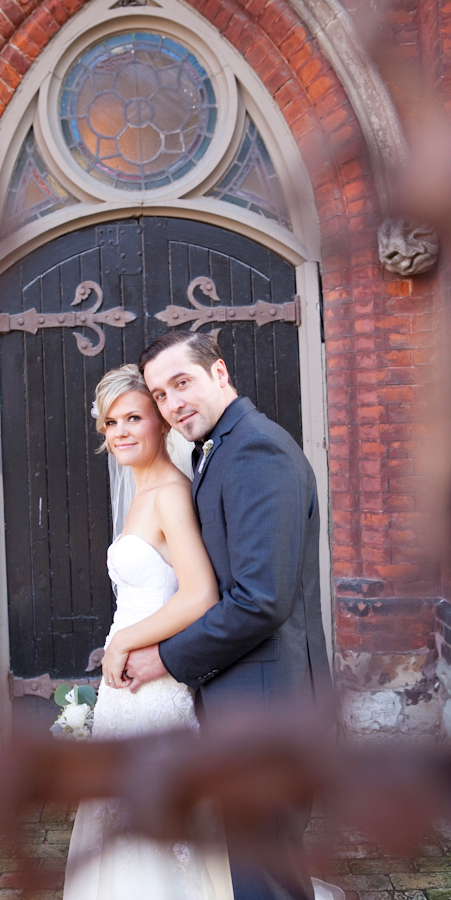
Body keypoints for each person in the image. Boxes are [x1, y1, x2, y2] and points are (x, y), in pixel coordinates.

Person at [121, 331, 333, 900]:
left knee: (266, 876)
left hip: (266, 708)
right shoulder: (223, 446)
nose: (172, 403)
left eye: (181, 382)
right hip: (248, 700)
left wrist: (165, 658)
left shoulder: (255, 449)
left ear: (220, 372)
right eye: (161, 395)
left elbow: (260, 598)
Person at [63, 363, 235, 900]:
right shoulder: (139, 494)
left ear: (160, 422)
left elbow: (199, 594)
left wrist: (121, 642)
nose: (120, 432)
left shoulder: (169, 494)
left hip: (155, 679)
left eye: (134, 417)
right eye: (111, 422)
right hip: (127, 687)